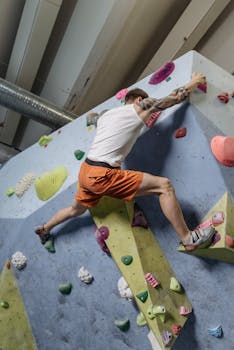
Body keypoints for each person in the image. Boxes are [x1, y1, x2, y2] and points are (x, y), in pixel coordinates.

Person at [35, 72, 215, 251]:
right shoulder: (141, 106)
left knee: (76, 210)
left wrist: (91, 115)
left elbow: (93, 118)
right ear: (138, 100)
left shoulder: (107, 115)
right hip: (102, 174)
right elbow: (176, 97)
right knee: (164, 186)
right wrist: (195, 81)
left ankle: (45, 229)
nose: (149, 117)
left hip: (86, 171)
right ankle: (188, 238)